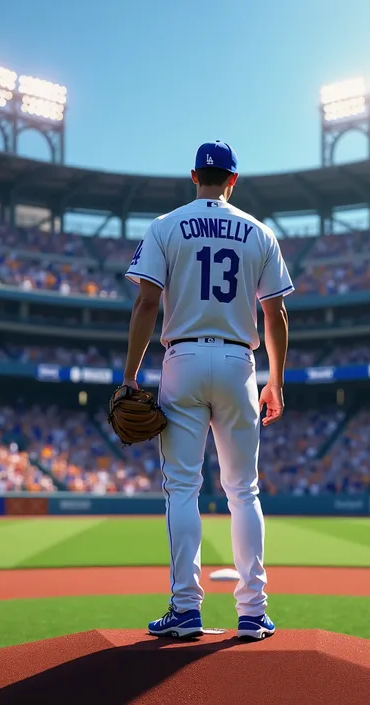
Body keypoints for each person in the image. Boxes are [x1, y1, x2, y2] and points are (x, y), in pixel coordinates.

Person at [124, 141, 293, 640]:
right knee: (244, 490)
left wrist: (130, 377)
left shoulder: (165, 225)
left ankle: (185, 609)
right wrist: (276, 380)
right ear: (233, 180)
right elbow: (275, 313)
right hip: (241, 361)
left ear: (194, 175)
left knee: (183, 487)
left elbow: (146, 304)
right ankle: (253, 612)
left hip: (183, 358)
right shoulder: (260, 232)